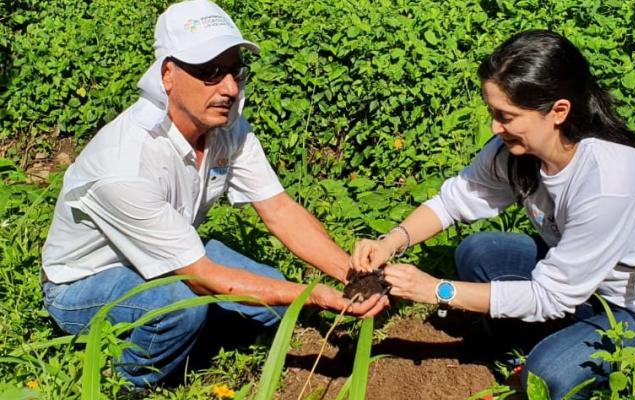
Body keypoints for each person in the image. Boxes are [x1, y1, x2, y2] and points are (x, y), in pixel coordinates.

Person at [40, 0, 387, 388]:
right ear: (167, 74)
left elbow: (279, 210)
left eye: (235, 69)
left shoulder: (227, 127)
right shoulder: (126, 163)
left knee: (272, 308)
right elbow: (200, 275)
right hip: (87, 280)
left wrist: (353, 276)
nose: (229, 87)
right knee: (178, 310)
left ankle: (193, 341)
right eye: (210, 72)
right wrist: (314, 296)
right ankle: (123, 384)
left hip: (174, 255)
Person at [351, 30, 635, 398]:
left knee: (547, 376)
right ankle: (555, 340)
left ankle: (556, 357)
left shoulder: (609, 182)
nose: (495, 127)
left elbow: (550, 296)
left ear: (558, 111)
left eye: (506, 116)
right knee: (480, 252)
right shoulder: (515, 153)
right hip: (587, 289)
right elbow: (453, 201)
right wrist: (391, 241)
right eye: (492, 113)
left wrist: (436, 290)